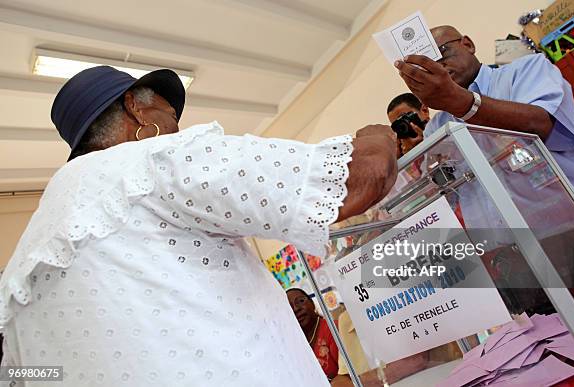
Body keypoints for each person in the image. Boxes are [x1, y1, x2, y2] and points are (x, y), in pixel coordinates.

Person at [0, 66, 398, 387]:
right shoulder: (149, 161)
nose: (175, 128)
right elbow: (361, 178)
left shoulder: (23, 266)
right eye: (170, 116)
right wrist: (379, 135)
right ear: (137, 110)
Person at [393, 25, 574, 228]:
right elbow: (444, 193)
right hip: (533, 245)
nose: (437, 68)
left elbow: (542, 125)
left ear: (467, 44)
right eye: (425, 68)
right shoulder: (437, 128)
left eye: (441, 54)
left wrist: (462, 104)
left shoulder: (525, 70)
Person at [286, 288, 339, 380]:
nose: (296, 309)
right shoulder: (292, 345)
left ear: (312, 303)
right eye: (289, 308)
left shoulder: (334, 329)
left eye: (300, 301)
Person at [386, 92, 430, 158]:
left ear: (424, 111)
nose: (403, 126)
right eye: (397, 125)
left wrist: (426, 143)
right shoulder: (402, 150)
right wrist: (405, 158)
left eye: (404, 118)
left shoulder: (444, 128)